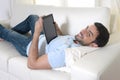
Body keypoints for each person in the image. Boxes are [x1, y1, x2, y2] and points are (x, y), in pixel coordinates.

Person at [0, 15, 109, 69]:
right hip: (44, 37)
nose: (82, 31)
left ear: (94, 45)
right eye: (86, 27)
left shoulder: (65, 54)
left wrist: (37, 32)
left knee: (4, 31)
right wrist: (57, 30)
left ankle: (5, 34)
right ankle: (7, 35)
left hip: (30, 46)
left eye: (89, 33)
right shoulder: (80, 42)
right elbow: (64, 41)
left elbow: (32, 64)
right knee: (33, 18)